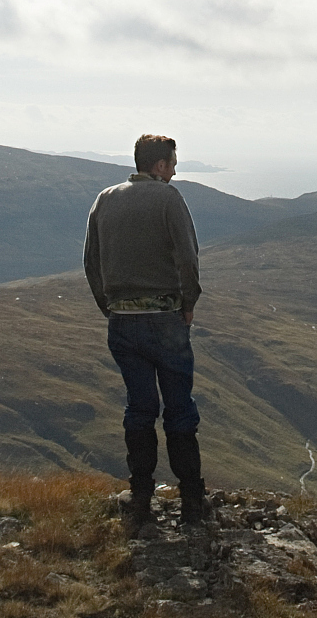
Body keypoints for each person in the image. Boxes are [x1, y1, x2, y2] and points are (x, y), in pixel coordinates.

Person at [83, 133, 206, 528]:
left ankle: (140, 496)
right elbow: (187, 257)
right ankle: (191, 501)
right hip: (165, 319)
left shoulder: (105, 198)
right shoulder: (169, 199)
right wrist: (188, 303)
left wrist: (110, 307)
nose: (174, 170)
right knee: (179, 409)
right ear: (158, 166)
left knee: (139, 408)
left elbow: (91, 261)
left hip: (122, 323)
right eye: (172, 163)